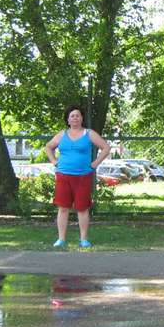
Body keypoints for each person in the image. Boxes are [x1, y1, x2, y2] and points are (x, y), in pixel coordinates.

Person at [45, 105, 111, 249]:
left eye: (78, 115)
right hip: (63, 176)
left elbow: (106, 148)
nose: (75, 118)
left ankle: (84, 240)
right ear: (68, 120)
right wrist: (54, 161)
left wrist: (95, 164)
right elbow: (48, 147)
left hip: (83, 177)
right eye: (72, 116)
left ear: (82, 118)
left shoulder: (89, 133)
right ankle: (61, 239)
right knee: (63, 208)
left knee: (82, 208)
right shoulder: (61, 134)